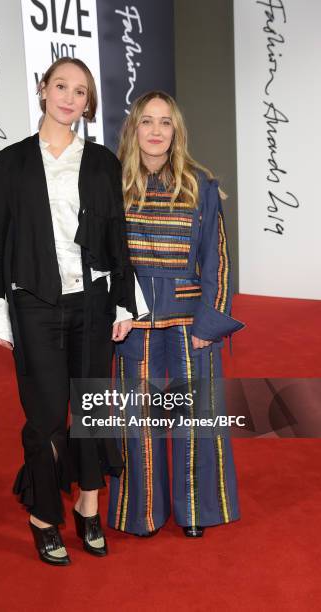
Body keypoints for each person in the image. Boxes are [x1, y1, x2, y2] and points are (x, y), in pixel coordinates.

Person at [0, 57, 146, 565]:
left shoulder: (101, 162)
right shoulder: (11, 161)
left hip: (93, 302)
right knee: (46, 417)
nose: (69, 98)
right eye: (61, 86)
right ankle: (42, 515)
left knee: (92, 410)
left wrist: (124, 299)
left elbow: (116, 237)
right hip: (33, 302)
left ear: (88, 103)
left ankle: (88, 505)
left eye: (80, 91)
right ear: (42, 89)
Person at [108, 91, 244, 537]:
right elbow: (101, 256)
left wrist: (210, 323)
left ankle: (196, 513)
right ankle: (141, 514)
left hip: (189, 323)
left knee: (194, 421)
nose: (155, 131)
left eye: (165, 122)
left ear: (176, 132)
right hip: (132, 321)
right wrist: (112, 311)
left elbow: (217, 259)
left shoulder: (201, 187)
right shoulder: (112, 184)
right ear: (134, 128)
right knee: (138, 424)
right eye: (147, 121)